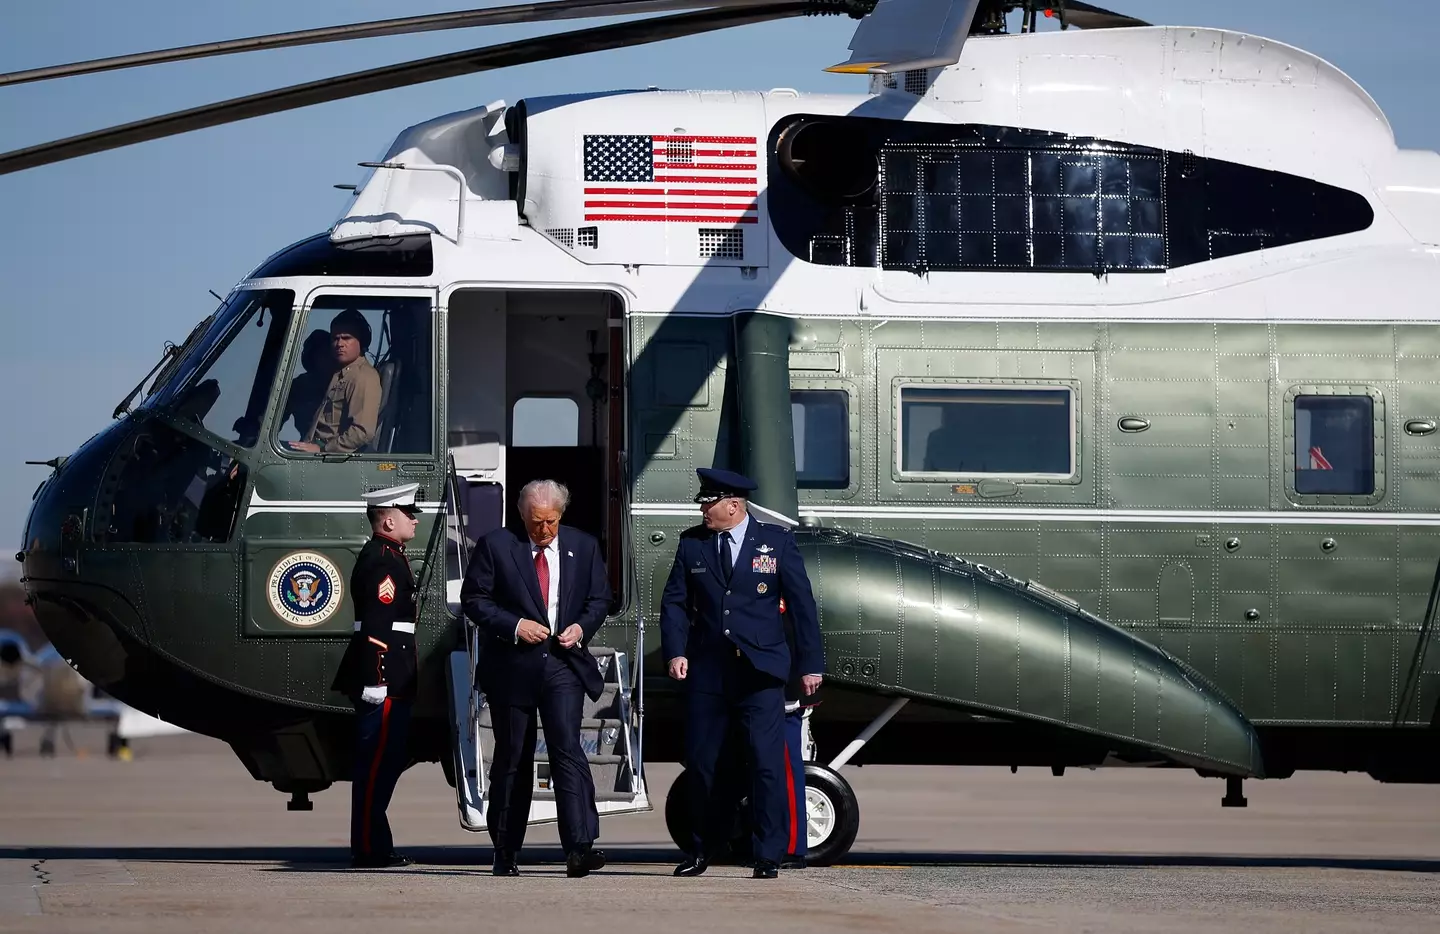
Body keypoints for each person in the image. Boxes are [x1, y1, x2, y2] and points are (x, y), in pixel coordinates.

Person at [660, 467, 824, 879]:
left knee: (766, 762)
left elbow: (803, 607)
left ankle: (768, 853)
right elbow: (674, 604)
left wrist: (810, 665)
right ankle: (701, 849)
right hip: (709, 672)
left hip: (760, 671)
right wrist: (676, 652)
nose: (702, 509)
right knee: (702, 763)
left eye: (708, 502)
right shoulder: (692, 545)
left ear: (734, 505)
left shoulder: (776, 542)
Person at [460, 479, 612, 878]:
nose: (544, 530)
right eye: (535, 522)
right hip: (513, 665)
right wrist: (515, 626)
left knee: (567, 751)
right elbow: (475, 600)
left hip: (563, 664)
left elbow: (600, 598)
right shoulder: (496, 546)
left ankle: (579, 847)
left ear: (561, 515)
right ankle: (505, 850)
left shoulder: (584, 545)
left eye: (551, 522)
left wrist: (581, 627)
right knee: (513, 757)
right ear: (522, 514)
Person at [330, 482, 421, 869]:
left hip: (395, 676)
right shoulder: (383, 561)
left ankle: (373, 844)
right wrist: (377, 679)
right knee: (376, 764)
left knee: (384, 763)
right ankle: (369, 848)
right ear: (387, 519)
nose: (415, 519)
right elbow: (376, 626)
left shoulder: (390, 555)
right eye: (408, 513)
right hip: (386, 678)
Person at [290, 309, 380, 454]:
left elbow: (362, 432)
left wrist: (322, 449)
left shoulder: (363, 376)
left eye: (346, 338)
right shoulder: (339, 374)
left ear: (361, 341)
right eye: (335, 338)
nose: (340, 344)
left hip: (329, 457)